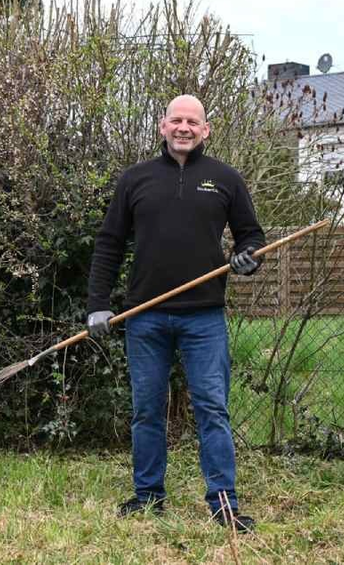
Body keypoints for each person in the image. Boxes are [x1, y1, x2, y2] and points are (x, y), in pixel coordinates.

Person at [85, 94, 265, 532]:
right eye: (176, 120)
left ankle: (224, 504)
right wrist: (98, 305)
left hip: (204, 317)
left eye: (193, 121)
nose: (184, 127)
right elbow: (109, 244)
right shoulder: (135, 179)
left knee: (212, 408)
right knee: (147, 408)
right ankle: (148, 497)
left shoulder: (225, 179)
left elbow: (252, 239)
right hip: (145, 317)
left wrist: (248, 259)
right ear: (163, 126)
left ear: (205, 130)